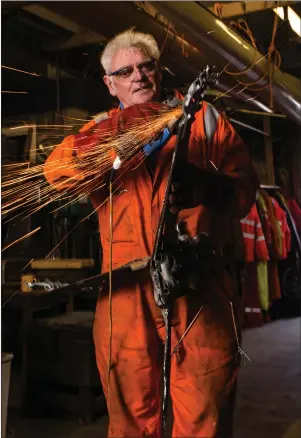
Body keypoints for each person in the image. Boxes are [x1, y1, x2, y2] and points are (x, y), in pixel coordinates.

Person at [44, 29, 259, 438]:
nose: (138, 77)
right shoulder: (99, 131)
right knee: (130, 413)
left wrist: (208, 188)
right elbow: (57, 173)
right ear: (110, 84)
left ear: (159, 71)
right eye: (125, 71)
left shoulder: (205, 119)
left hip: (199, 285)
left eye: (146, 66)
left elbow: (245, 187)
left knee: (204, 406)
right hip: (126, 291)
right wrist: (120, 132)